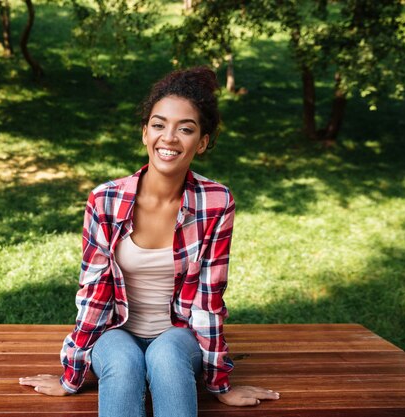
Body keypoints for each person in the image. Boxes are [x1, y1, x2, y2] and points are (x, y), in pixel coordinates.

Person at [19, 66, 280, 416]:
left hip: (177, 334)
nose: (169, 138)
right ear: (145, 133)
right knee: (125, 364)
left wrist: (221, 384)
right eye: (159, 125)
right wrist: (71, 376)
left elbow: (208, 299)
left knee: (167, 357)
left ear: (201, 142)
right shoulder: (105, 201)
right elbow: (94, 292)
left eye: (185, 129)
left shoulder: (216, 202)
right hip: (116, 332)